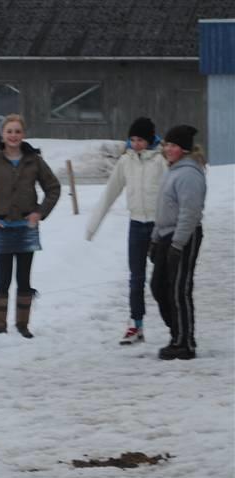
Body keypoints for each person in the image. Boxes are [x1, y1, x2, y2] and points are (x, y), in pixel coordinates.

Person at [0, 114, 60, 338]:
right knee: (3, 278)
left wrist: (40, 212)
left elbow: (53, 187)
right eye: (9, 131)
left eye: (18, 131)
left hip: (27, 229)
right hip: (2, 229)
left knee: (24, 279)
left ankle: (22, 325)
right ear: (3, 134)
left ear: (23, 134)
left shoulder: (34, 160)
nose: (13, 135)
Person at [85, 117, 167, 345]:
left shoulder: (161, 161)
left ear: (149, 139)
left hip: (158, 227)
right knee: (136, 278)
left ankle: (174, 324)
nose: (135, 144)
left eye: (140, 139)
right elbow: (110, 193)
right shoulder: (126, 162)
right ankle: (136, 325)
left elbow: (173, 193)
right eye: (132, 139)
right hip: (136, 225)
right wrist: (93, 225)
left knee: (163, 279)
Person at [149, 125, 206, 360]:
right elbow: (164, 209)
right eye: (166, 145)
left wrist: (177, 243)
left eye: (172, 146)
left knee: (178, 290)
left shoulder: (189, 174)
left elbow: (189, 213)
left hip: (183, 237)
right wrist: (155, 239)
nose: (167, 149)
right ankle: (179, 333)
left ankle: (184, 343)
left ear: (183, 149)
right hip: (166, 235)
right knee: (159, 287)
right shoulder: (173, 171)